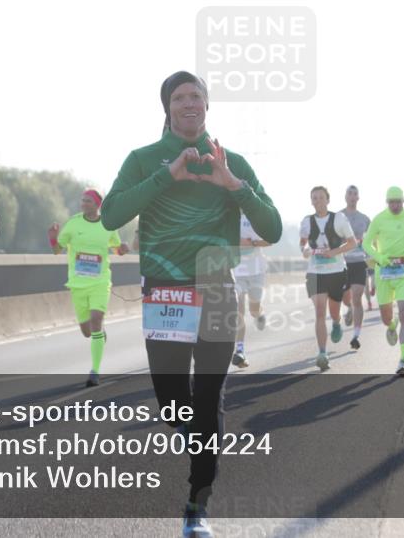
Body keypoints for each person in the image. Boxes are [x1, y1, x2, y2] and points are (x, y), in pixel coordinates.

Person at [101, 71, 281, 537]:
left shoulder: (231, 161)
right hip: (165, 289)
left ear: (207, 105)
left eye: (196, 96)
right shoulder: (143, 160)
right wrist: (168, 175)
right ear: (167, 107)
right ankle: (201, 444)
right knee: (172, 402)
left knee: (208, 400)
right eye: (179, 97)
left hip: (217, 286)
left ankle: (196, 507)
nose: (188, 104)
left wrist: (232, 184)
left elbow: (274, 227)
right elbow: (111, 216)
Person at [48, 189, 129, 387]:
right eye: (82, 200)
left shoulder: (107, 224)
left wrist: (123, 249)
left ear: (97, 205)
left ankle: (95, 371)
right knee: (87, 331)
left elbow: (117, 249)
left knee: (96, 320)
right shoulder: (74, 223)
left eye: (88, 201)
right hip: (78, 284)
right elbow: (58, 250)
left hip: (100, 282)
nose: (83, 204)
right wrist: (52, 238)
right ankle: (98, 333)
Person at [362, 186, 404, 377]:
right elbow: (366, 243)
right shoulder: (379, 219)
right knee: (386, 317)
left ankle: (403, 361)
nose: (395, 205)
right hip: (384, 272)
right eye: (391, 202)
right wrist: (378, 256)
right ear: (387, 202)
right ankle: (391, 326)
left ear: (403, 201)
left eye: (398, 201)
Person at [300, 186, 356, 371]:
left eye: (321, 198)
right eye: (314, 198)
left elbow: (352, 242)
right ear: (311, 201)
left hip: (336, 271)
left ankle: (337, 322)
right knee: (319, 312)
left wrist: (334, 251)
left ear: (328, 200)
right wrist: (305, 250)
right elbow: (303, 244)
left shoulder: (338, 219)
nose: (318, 201)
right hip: (315, 272)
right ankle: (322, 353)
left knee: (333, 312)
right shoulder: (307, 221)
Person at [231, 213, 271, 368]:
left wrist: (253, 242)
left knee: (253, 310)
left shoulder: (255, 216)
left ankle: (259, 313)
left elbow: (270, 240)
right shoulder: (229, 216)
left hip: (256, 271)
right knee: (238, 312)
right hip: (236, 272)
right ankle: (240, 351)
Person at [339, 185, 370, 350]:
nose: (352, 197)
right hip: (342, 262)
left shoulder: (365, 219)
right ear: (345, 197)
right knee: (346, 298)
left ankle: (356, 335)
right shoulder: (338, 217)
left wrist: (372, 255)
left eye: (355, 194)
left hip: (359, 261)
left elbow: (372, 240)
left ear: (358, 198)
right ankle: (348, 308)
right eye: (349, 194)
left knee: (357, 297)